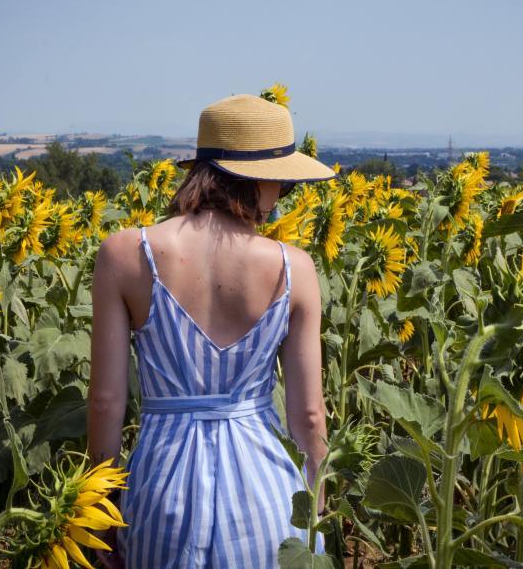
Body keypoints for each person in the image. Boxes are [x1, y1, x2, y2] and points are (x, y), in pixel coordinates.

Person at [87, 94, 336, 568]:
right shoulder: (293, 268)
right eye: (281, 185)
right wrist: (316, 512)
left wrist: (99, 516)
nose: (279, 199)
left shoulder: (124, 255)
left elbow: (104, 404)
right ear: (256, 179)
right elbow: (308, 416)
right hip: (267, 494)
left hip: (161, 490)